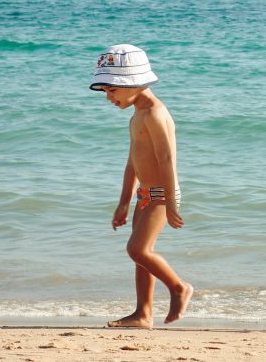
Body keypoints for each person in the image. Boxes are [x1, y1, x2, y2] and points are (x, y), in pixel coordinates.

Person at [90, 43, 193, 328]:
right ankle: (143, 313)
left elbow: (167, 159)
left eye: (112, 90)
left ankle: (178, 287)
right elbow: (132, 162)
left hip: (161, 194)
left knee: (138, 250)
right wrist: (124, 202)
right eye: (106, 92)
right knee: (141, 257)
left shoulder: (155, 114)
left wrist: (171, 202)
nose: (108, 97)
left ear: (133, 83)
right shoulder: (137, 115)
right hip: (144, 194)